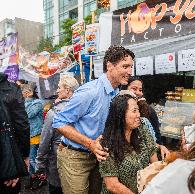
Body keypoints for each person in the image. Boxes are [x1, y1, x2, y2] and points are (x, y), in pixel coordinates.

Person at [52, 45, 135, 194]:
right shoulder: (90, 92)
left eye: (131, 67)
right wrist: (90, 144)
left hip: (99, 157)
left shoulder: (117, 92)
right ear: (110, 66)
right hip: (74, 157)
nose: (130, 72)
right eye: (125, 66)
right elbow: (59, 122)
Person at [99, 94, 158, 194]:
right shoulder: (107, 143)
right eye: (134, 111)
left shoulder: (142, 128)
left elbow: (154, 162)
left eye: (138, 110)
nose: (138, 114)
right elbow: (112, 185)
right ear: (121, 114)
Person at [33, 75, 79, 193]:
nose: (57, 90)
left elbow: (44, 142)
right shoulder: (83, 110)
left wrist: (40, 166)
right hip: (79, 164)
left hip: (57, 164)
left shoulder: (53, 113)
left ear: (68, 90)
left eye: (59, 88)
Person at [122, 77, 170, 159]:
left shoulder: (148, 112)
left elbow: (155, 140)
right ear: (124, 90)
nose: (137, 93)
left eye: (140, 90)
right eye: (134, 89)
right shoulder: (118, 111)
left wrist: (160, 147)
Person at [0, 73, 30, 194]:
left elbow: (21, 125)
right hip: (6, 159)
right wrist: (22, 158)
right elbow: (22, 125)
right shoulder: (11, 88)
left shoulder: (10, 88)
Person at [22, 83, 43, 174]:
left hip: (35, 134)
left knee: (32, 158)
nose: (25, 93)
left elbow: (29, 114)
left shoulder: (38, 102)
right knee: (30, 158)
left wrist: (28, 99)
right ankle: (33, 177)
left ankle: (39, 177)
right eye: (24, 91)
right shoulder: (24, 102)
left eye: (27, 91)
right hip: (28, 133)